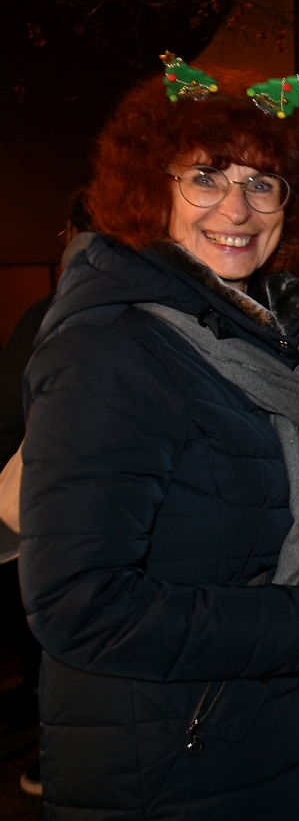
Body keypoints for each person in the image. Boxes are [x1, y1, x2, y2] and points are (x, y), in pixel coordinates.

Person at [19, 64, 299, 821]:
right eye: (205, 177)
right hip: (168, 770)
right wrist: (296, 622)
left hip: (259, 747)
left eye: (262, 184)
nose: (237, 207)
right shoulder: (111, 351)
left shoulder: (265, 341)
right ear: (150, 187)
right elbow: (77, 604)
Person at [0, 190, 92, 800]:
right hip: (57, 512)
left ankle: (52, 757)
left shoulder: (48, 311)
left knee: (51, 641)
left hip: (37, 516)